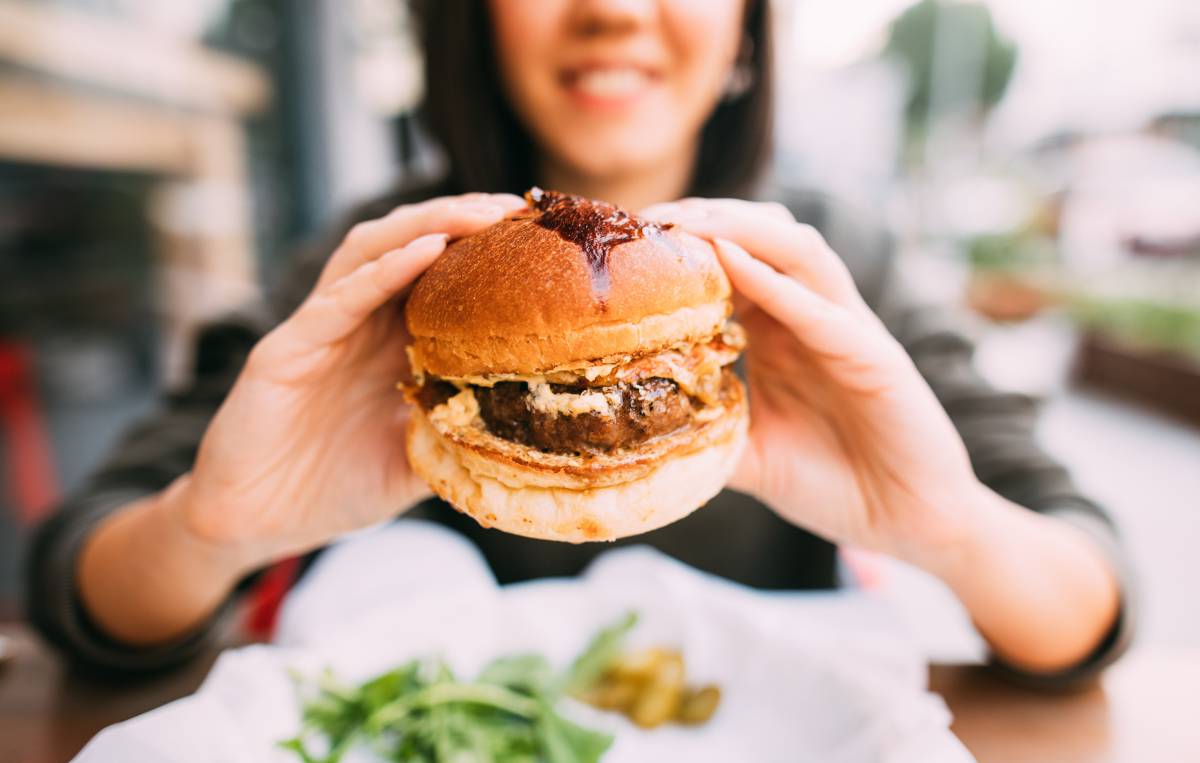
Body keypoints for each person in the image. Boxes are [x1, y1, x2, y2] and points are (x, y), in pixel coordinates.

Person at [27, 0, 1130, 683]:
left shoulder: (829, 266)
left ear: (746, 24)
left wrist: (949, 529)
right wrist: (215, 530)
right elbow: (76, 585)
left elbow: (1093, 598)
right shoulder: (378, 273)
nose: (609, 8)